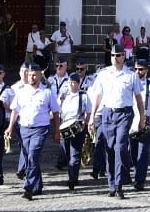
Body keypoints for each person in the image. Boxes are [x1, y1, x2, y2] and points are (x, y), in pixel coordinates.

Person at [90, 49, 142, 198]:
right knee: (110, 149)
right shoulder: (103, 74)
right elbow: (98, 96)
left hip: (124, 113)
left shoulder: (131, 75)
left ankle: (119, 184)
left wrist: (142, 117)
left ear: (124, 57)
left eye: (118, 55)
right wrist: (92, 116)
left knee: (120, 146)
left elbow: (138, 98)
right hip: (107, 113)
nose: (115, 58)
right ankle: (112, 184)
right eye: (113, 55)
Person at [5, 63, 61, 200]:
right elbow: (15, 111)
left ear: (40, 75)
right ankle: (38, 185)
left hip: (40, 129)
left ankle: (28, 188)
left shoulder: (47, 92)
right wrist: (10, 127)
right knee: (30, 157)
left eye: (34, 74)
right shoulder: (22, 91)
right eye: (30, 74)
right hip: (24, 128)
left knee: (32, 156)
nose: (31, 77)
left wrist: (57, 131)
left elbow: (55, 112)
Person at [57, 73, 90, 189]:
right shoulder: (62, 96)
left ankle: (73, 179)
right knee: (66, 154)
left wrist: (85, 123)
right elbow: (57, 111)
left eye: (74, 83)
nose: (71, 85)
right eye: (69, 83)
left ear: (78, 83)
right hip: (64, 127)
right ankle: (72, 174)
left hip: (78, 127)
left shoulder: (84, 96)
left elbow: (88, 112)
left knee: (75, 154)